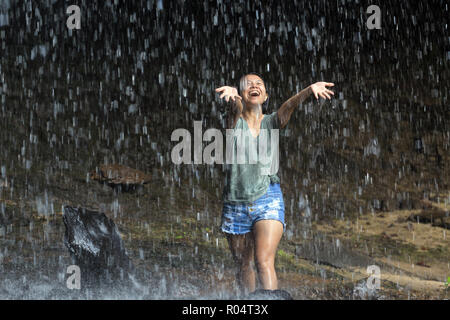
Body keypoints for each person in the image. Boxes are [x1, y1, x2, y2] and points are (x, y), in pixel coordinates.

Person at [215, 73, 334, 296]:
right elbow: (235, 110)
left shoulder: (272, 122)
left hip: (267, 198)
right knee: (243, 264)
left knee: (263, 261)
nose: (254, 86)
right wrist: (233, 99)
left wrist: (309, 90)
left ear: (265, 95)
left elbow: (287, 107)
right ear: (240, 94)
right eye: (248, 84)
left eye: (259, 83)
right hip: (235, 202)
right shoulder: (233, 122)